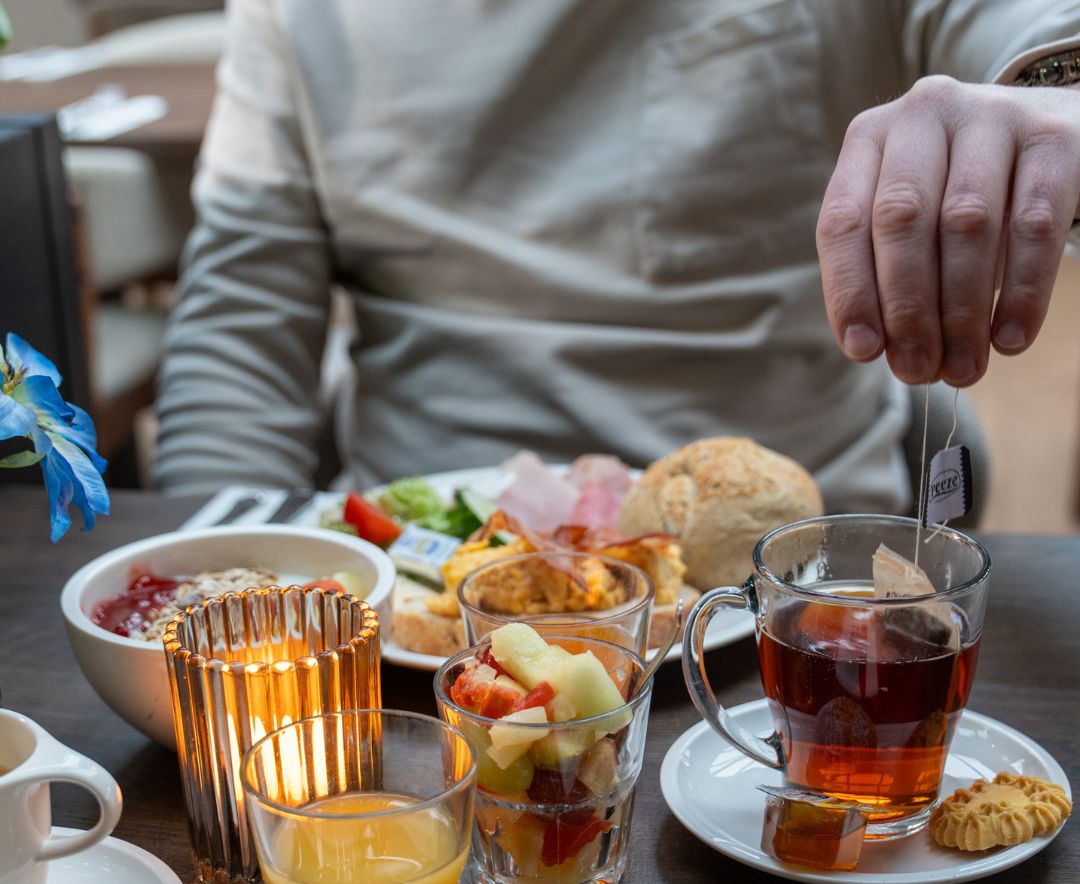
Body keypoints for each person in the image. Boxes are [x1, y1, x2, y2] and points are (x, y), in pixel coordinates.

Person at [154, 1, 1080, 514]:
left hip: (792, 598)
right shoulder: (291, 17)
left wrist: (1055, 102)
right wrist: (220, 579)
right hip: (425, 597)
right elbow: (241, 339)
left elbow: (1038, 37)